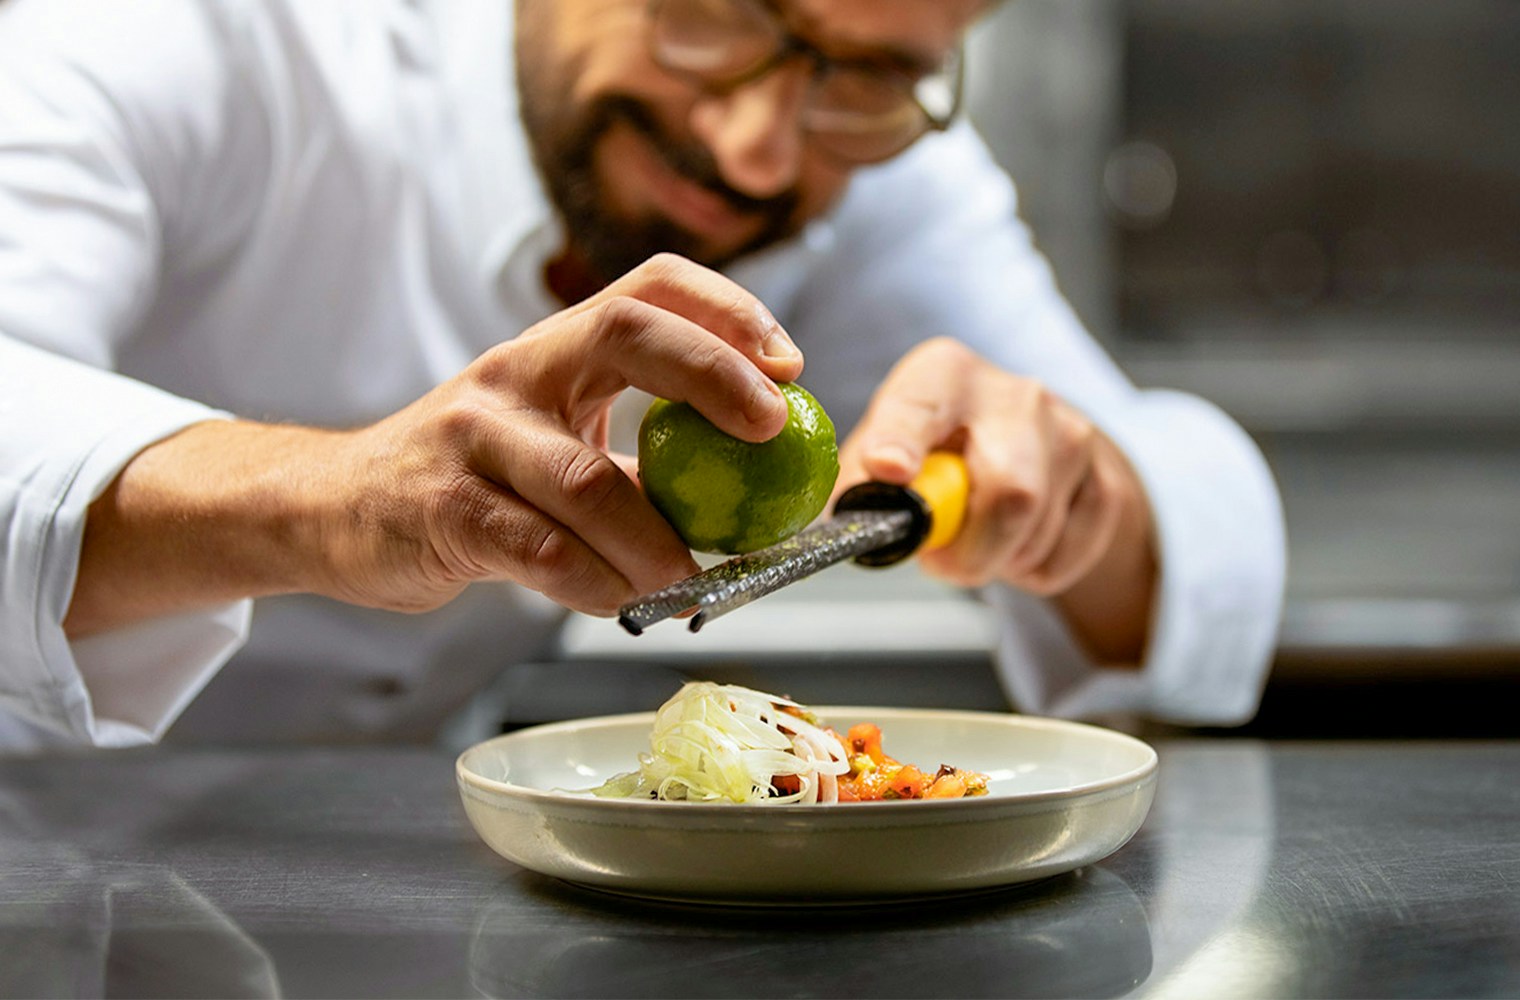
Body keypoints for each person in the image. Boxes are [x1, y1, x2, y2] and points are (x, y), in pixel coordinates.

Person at [0, 0, 1285, 749]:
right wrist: (344, 497)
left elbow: (1195, 535)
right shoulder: (200, 33)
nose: (756, 153)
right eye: (717, 11)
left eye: (875, 72)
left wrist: (1082, 496)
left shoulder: (871, 180)